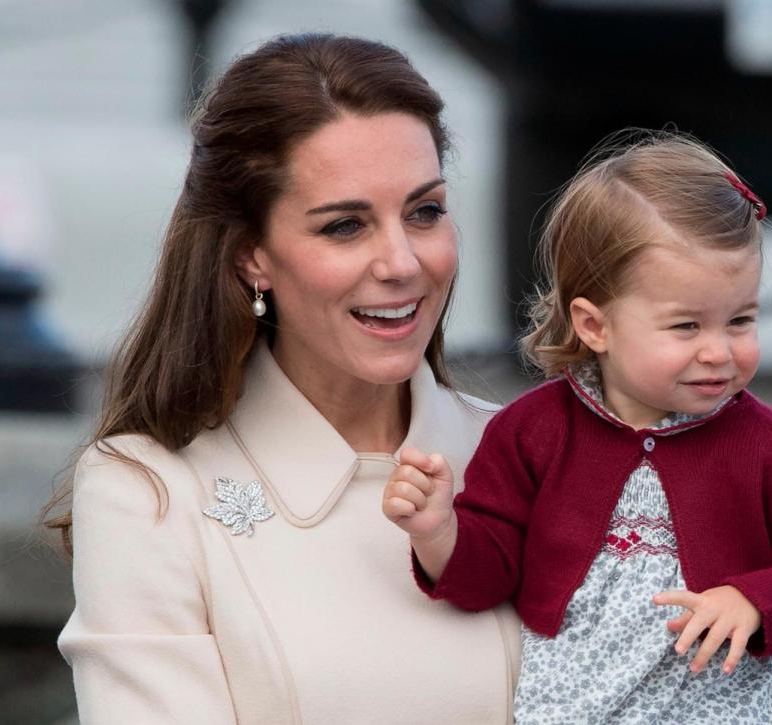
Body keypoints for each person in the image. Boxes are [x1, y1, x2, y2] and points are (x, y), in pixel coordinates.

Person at [46, 33, 521, 724]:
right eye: (344, 226)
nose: (401, 262)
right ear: (251, 257)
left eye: (424, 212)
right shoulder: (145, 491)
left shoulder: (533, 454)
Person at [382, 133, 772, 724]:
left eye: (741, 320)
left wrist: (755, 600)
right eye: (686, 326)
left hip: (729, 708)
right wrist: (438, 533)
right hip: (578, 707)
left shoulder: (765, 445)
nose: (719, 352)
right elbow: (490, 577)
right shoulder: (533, 433)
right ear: (595, 326)